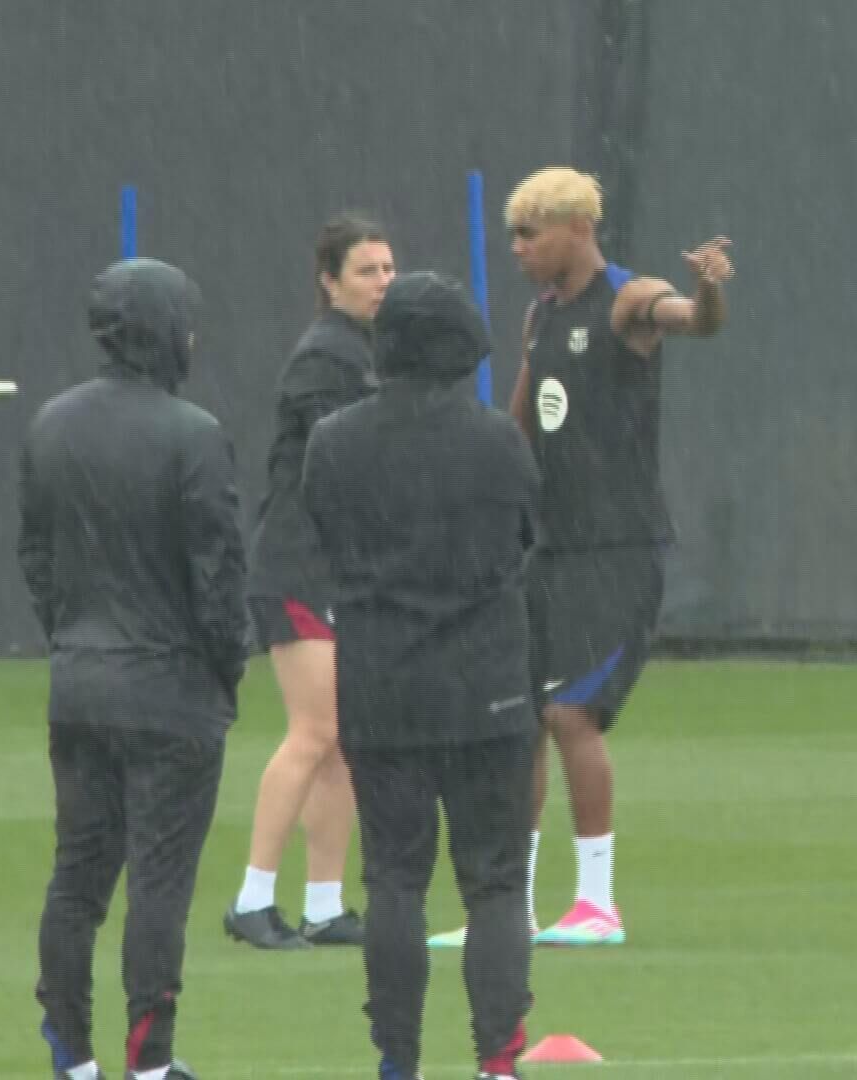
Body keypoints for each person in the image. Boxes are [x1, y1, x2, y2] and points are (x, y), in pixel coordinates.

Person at [431, 167, 733, 949]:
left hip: (618, 550)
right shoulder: (540, 316)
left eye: (530, 235)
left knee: (571, 714)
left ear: (575, 229)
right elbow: (521, 420)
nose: (520, 249)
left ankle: (597, 905)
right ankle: (510, 910)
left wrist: (707, 294)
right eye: (514, 237)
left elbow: (693, 322)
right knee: (522, 720)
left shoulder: (628, 301)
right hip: (550, 549)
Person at [302, 271, 541, 1080]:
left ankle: (397, 1059)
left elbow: (325, 535)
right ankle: (498, 1060)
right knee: (496, 884)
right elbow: (526, 538)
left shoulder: (334, 440)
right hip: (489, 687)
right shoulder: (496, 439)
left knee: (395, 878)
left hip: (383, 684)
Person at [22, 257, 247, 1080]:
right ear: (165, 330)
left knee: (77, 877)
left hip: (79, 684)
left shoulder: (52, 424)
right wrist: (227, 667)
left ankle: (72, 1058)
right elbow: (218, 578)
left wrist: (73, 639)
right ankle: (149, 1064)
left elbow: (36, 558)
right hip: (172, 694)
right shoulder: (194, 434)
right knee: (159, 884)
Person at [225, 213, 395, 950]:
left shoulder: (364, 350)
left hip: (338, 570)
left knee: (343, 742)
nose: (383, 282)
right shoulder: (326, 357)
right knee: (315, 731)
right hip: (298, 568)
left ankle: (325, 906)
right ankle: (252, 899)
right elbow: (341, 463)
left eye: (390, 269)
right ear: (329, 282)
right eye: (367, 270)